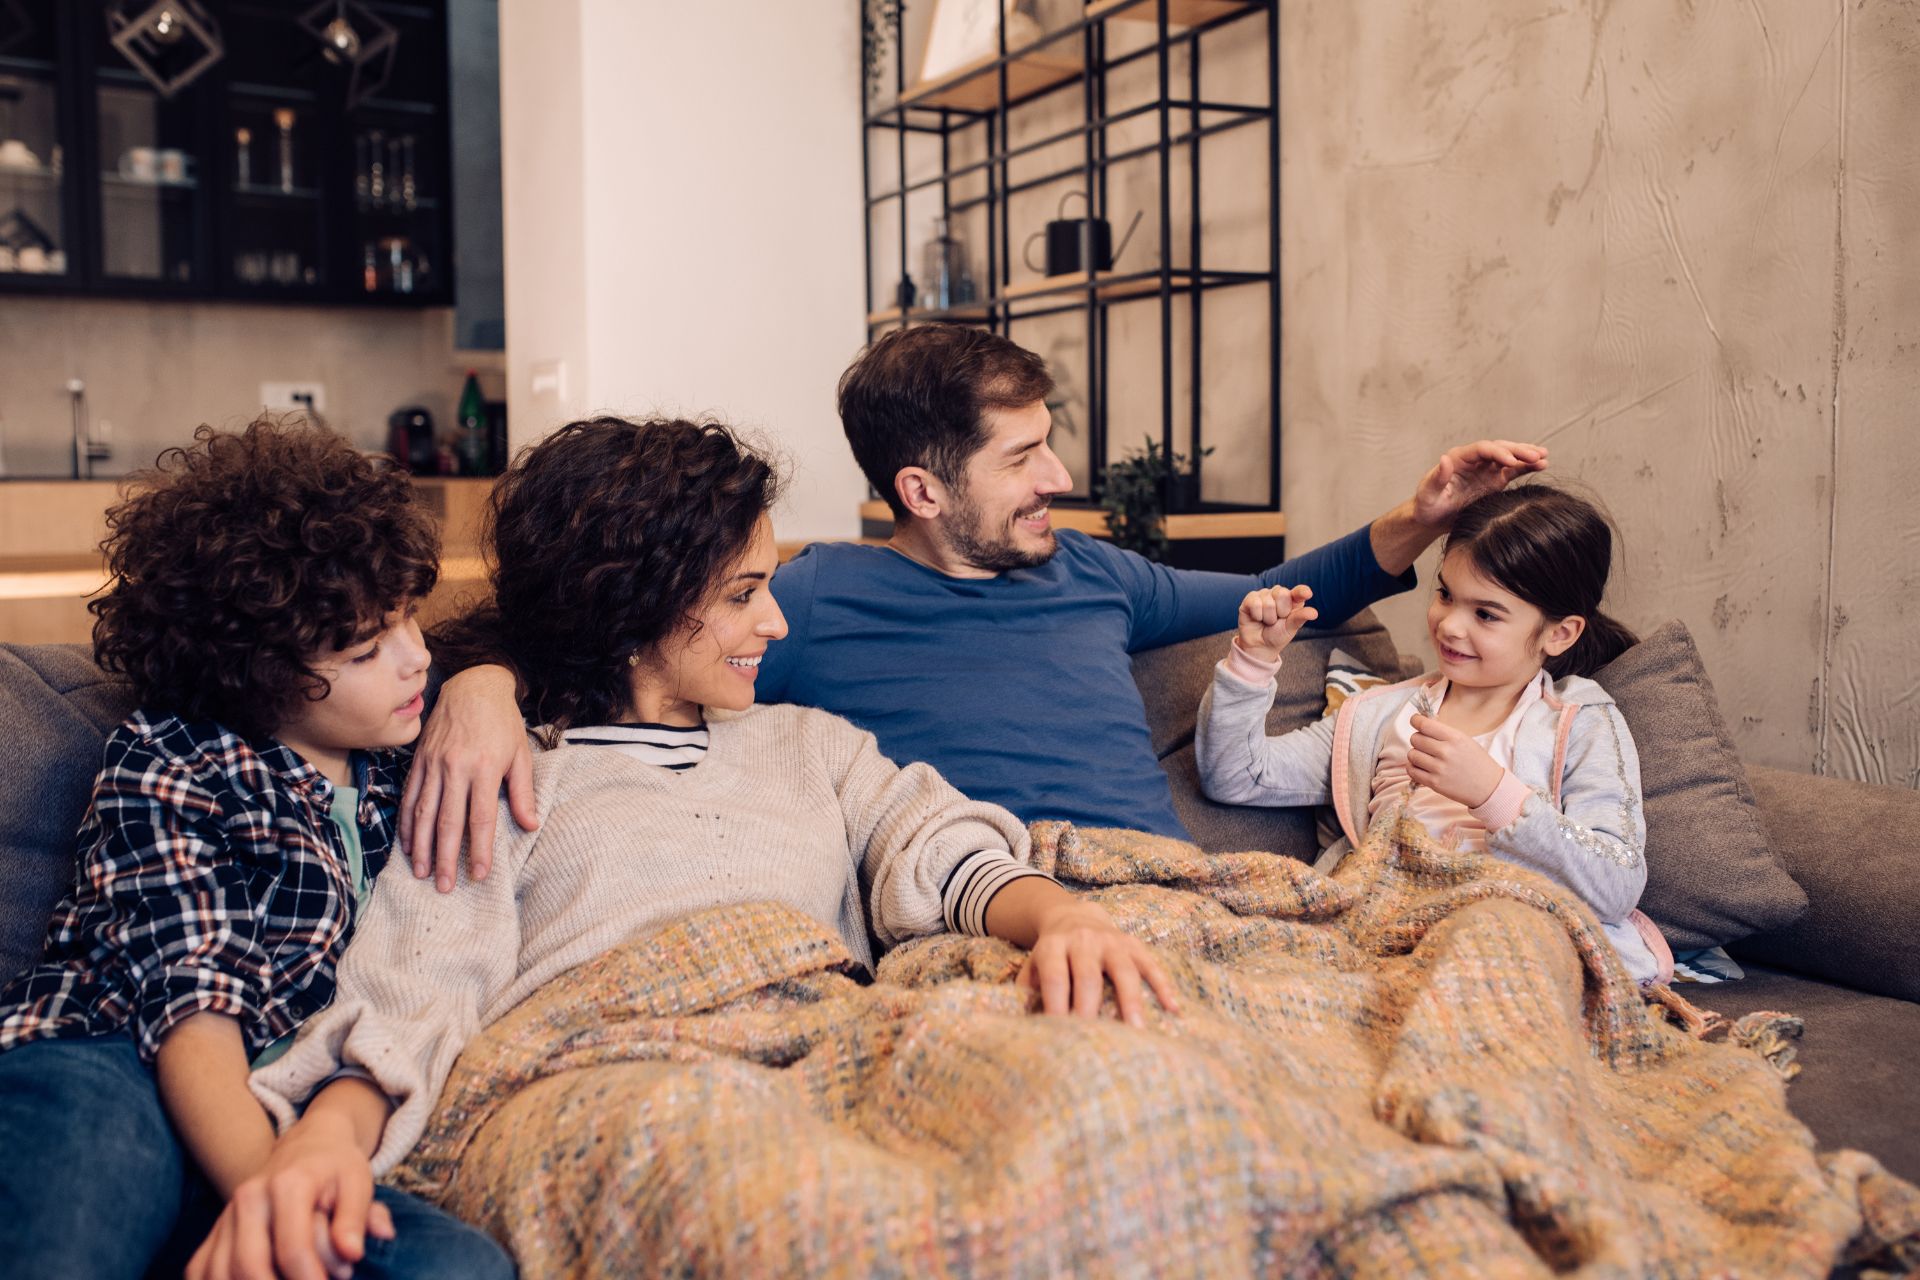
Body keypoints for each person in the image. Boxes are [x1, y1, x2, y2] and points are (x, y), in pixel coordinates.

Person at [188, 417, 1177, 1279]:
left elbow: (936, 838)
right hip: (612, 1079)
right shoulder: (511, 772)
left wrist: (1063, 914)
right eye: (744, 592)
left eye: (770, 584)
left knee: (1102, 1094)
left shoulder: (808, 744)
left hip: (834, 1041)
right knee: (780, 1206)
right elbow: (420, 977)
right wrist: (321, 1143)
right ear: (636, 603)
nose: (776, 621)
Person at [404, 324, 1551, 880]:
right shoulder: (802, 603)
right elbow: (614, 637)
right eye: (1022, 459)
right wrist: (482, 686)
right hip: (993, 907)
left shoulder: (1093, 569)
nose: (1059, 479)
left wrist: (1420, 513)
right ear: (922, 489)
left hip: (1192, 895)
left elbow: (1278, 593)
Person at [0, 419, 513, 1279]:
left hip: (299, 1105)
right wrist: (268, 1192)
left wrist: (488, 683)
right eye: (365, 648)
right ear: (255, 673)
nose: (416, 657)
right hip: (120, 1065)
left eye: (411, 621)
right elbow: (190, 1005)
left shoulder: (403, 764)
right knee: (76, 1215)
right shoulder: (174, 758)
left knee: (460, 1266)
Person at [1195, 485, 1669, 982]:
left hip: (1506, 943)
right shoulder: (1381, 716)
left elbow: (1616, 884)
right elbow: (1234, 775)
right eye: (1445, 594)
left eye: (1485, 614)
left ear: (1560, 633)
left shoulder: (1580, 721)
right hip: (1380, 929)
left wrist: (1494, 794)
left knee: (1491, 942)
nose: (1449, 625)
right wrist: (1254, 659)